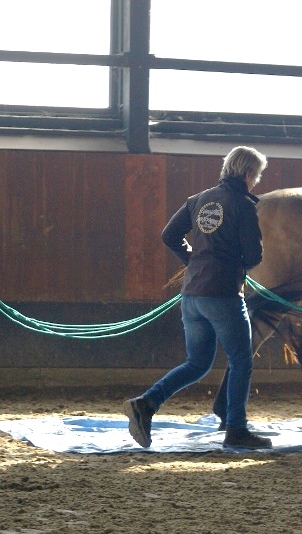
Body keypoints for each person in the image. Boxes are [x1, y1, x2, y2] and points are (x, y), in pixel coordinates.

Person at [123, 146, 273, 450]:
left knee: (197, 363)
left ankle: (147, 403)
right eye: (256, 176)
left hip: (191, 294)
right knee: (241, 361)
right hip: (223, 294)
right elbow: (254, 255)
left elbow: (169, 234)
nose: (255, 182)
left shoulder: (199, 199)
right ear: (248, 174)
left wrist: (192, 259)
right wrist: (233, 262)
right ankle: (236, 429)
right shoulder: (243, 205)